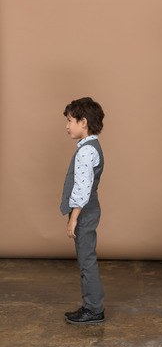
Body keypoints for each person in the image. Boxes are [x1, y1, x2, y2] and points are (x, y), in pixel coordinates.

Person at [60, 97, 105, 324]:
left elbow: (82, 188)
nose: (67, 126)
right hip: (88, 209)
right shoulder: (89, 147)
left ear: (83, 122)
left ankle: (94, 309)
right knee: (85, 259)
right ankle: (89, 305)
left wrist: (73, 219)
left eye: (70, 121)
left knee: (87, 260)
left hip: (84, 212)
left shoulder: (87, 151)